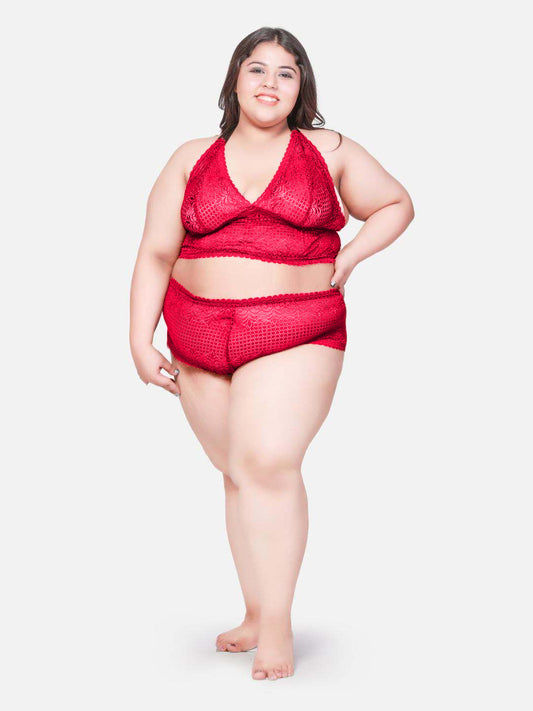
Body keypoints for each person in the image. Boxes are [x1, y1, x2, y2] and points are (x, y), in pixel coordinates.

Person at [129, 27, 414, 681]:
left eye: (286, 73)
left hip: (296, 327)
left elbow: (396, 203)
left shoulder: (329, 149)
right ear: (234, 80)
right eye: (256, 69)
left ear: (300, 87)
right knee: (236, 471)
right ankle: (255, 611)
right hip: (196, 331)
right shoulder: (190, 157)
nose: (269, 82)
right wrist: (139, 339)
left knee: (267, 462)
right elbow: (155, 251)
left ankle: (278, 623)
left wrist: (348, 257)